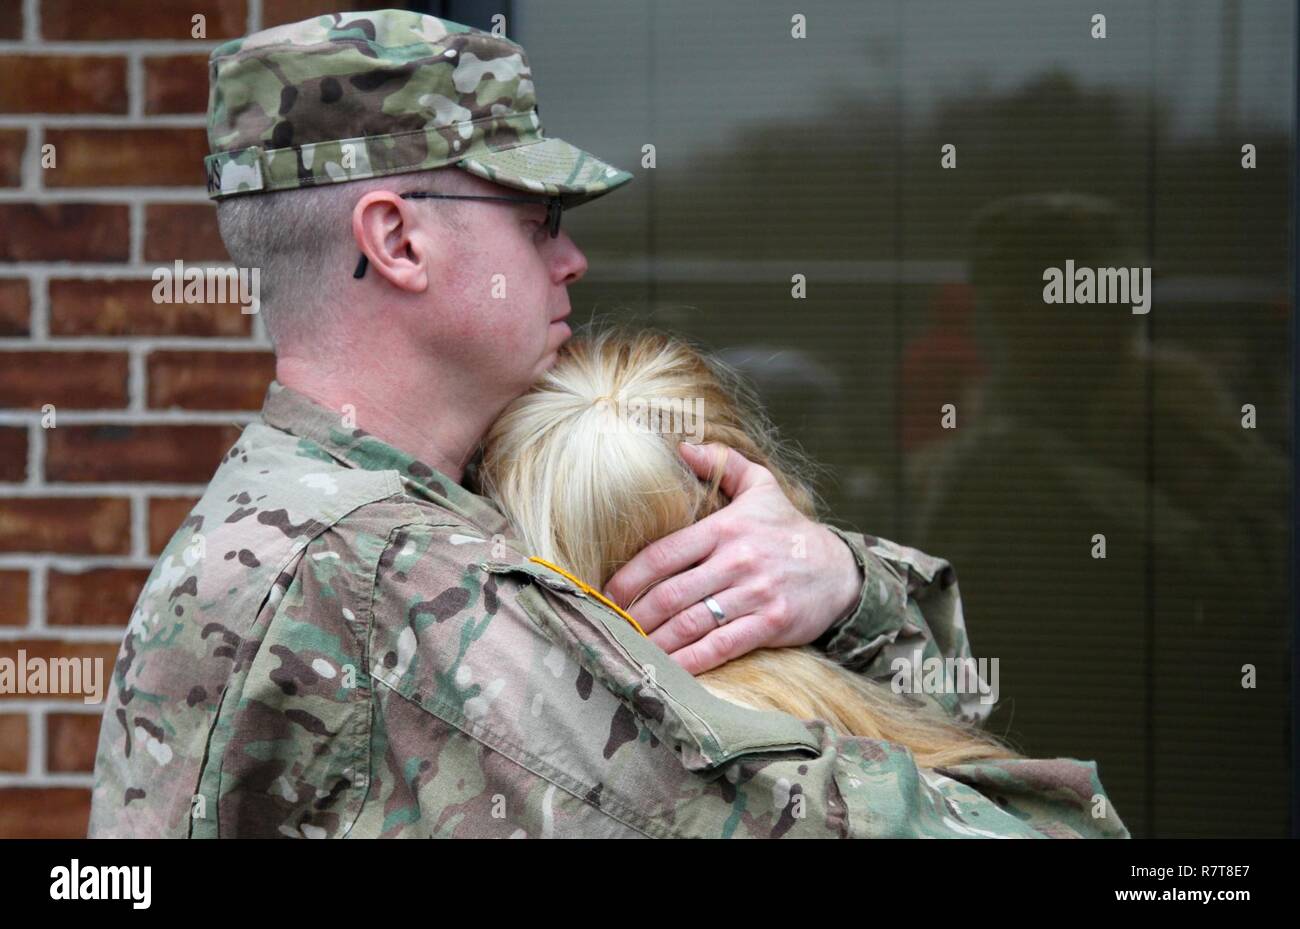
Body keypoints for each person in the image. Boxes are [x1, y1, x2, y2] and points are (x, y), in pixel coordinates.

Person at [87, 10, 1123, 838]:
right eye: (537, 222)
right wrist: (848, 606)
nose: (570, 261)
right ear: (396, 238)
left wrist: (835, 585)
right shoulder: (402, 589)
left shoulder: (317, 506)